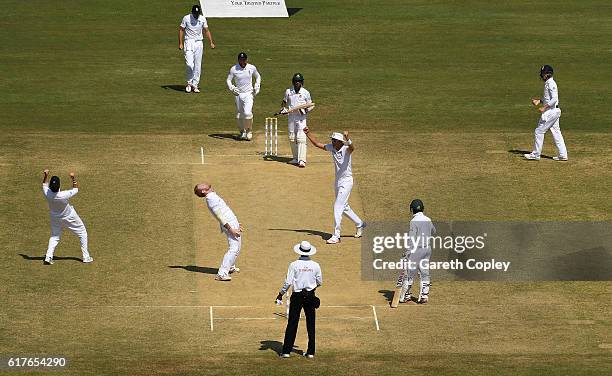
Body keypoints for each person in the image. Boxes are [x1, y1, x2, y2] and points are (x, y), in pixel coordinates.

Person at [304, 128, 366, 244]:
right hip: (338, 182)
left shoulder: (346, 149)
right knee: (344, 207)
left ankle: (336, 236)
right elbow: (318, 144)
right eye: (332, 140)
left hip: (347, 182)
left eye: (334, 140)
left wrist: (347, 138)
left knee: (338, 206)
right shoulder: (332, 147)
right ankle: (360, 224)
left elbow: (353, 148)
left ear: (340, 141)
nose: (332, 142)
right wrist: (307, 133)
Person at [276, 241, 322, 358]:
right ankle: (311, 352)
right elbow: (319, 282)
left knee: (292, 323)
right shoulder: (316, 265)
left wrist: (280, 294)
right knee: (311, 323)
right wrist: (310, 289)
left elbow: (288, 282)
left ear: (300, 251)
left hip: (297, 296)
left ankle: (286, 351)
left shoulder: (294, 264)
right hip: (310, 295)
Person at [41, 169, 93, 265]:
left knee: (54, 236)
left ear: (50, 187)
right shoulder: (63, 195)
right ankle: (86, 257)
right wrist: (73, 178)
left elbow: (44, 184)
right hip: (70, 216)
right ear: (59, 186)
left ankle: (48, 256)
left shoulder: (47, 193)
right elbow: (76, 189)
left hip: (55, 217)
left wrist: (45, 175)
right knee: (82, 232)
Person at [194, 183, 242, 281]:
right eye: (201, 185)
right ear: (203, 191)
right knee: (234, 248)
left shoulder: (212, 195)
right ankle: (222, 274)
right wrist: (231, 228)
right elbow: (219, 216)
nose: (203, 183)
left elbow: (224, 210)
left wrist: (236, 222)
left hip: (232, 221)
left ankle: (230, 267)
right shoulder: (210, 199)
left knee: (237, 246)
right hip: (229, 224)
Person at [524, 65, 568, 161]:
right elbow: (548, 98)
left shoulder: (551, 83)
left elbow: (554, 99)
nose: (541, 75)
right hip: (554, 111)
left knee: (539, 131)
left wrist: (544, 107)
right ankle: (563, 155)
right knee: (556, 132)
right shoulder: (548, 83)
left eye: (543, 73)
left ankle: (536, 154)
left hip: (551, 112)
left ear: (547, 74)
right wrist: (539, 101)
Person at [399, 199, 436, 304]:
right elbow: (434, 231)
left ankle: (406, 295)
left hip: (417, 250)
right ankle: (424, 296)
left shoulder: (414, 222)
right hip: (427, 249)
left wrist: (408, 252)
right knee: (424, 272)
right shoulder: (428, 219)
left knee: (409, 272)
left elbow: (411, 238)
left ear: (412, 210)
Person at [178, 4, 215, 93]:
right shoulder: (186, 18)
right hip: (189, 42)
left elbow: (206, 30)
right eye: (195, 13)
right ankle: (189, 83)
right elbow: (181, 30)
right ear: (192, 12)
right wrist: (180, 43)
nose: (196, 15)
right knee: (190, 64)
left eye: (197, 14)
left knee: (198, 65)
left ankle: (195, 85)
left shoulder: (202, 19)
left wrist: (211, 42)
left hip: (199, 43)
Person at [226, 52, 261, 140]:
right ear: (238, 60)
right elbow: (228, 80)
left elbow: (258, 76)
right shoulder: (234, 69)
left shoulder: (251, 67)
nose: (242, 61)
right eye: (241, 60)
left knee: (247, 113)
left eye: (244, 59)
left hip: (249, 93)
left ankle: (249, 130)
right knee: (239, 115)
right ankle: (242, 132)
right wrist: (232, 88)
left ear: (246, 59)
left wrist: (257, 85)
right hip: (238, 94)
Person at [280, 73, 313, 167]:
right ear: (293, 82)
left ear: (302, 82)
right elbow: (284, 102)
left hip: (301, 119)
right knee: (292, 138)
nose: (297, 83)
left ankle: (302, 160)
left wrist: (305, 111)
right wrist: (283, 109)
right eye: (295, 81)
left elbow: (311, 105)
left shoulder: (305, 92)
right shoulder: (288, 91)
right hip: (291, 117)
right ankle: (295, 158)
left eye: (299, 81)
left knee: (301, 138)